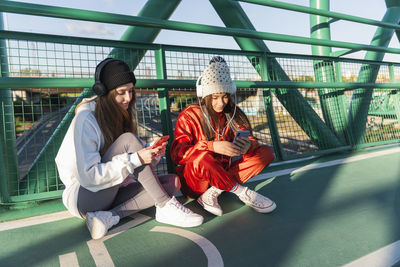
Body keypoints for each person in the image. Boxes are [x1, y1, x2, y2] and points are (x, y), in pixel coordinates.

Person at [55, 58, 203, 240]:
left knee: (172, 183)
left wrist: (151, 155)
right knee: (129, 140)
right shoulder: (86, 119)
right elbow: (89, 176)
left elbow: (132, 164)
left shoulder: (118, 113)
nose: (128, 98)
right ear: (105, 92)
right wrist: (137, 158)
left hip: (112, 190)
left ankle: (107, 217)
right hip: (83, 195)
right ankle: (164, 207)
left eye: (131, 91)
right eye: (121, 92)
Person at [171, 56, 276, 216]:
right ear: (204, 95)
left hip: (222, 177)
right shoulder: (189, 115)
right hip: (196, 183)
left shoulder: (233, 112)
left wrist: (248, 146)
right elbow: (178, 154)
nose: (221, 103)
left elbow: (251, 141)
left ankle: (215, 191)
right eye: (214, 97)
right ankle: (241, 192)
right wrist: (211, 146)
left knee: (266, 153)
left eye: (225, 96)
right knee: (201, 157)